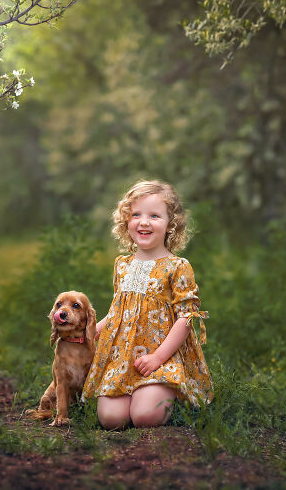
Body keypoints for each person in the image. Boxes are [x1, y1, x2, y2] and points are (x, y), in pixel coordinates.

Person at [81, 180, 213, 429]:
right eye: (136, 215)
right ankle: (132, 395)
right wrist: (90, 332)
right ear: (126, 222)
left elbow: (186, 319)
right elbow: (120, 311)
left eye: (154, 215)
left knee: (145, 417)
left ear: (170, 224)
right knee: (111, 420)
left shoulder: (177, 266)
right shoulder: (122, 264)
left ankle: (170, 392)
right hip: (123, 358)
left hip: (161, 357)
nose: (144, 222)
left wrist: (157, 358)